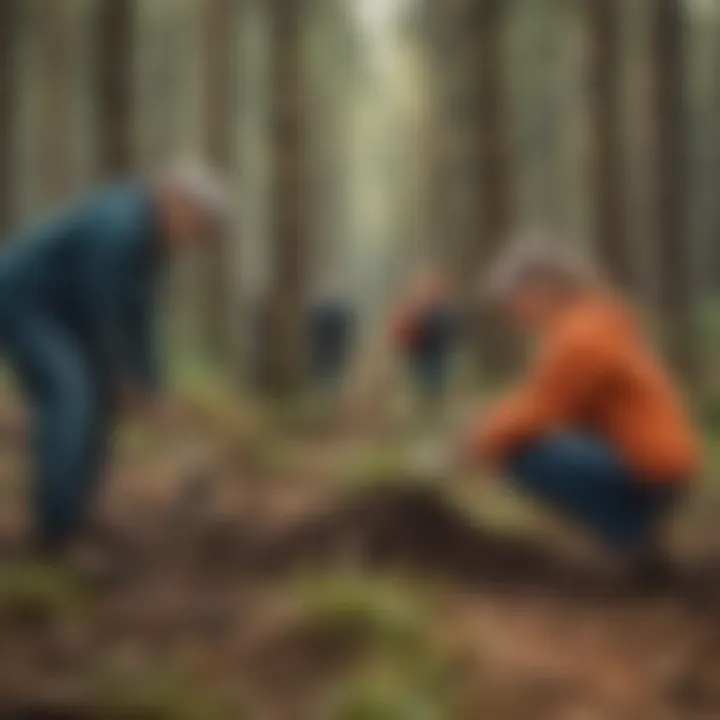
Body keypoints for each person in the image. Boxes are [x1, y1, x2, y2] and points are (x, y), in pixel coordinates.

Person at [0, 162, 229, 557]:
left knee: (96, 402)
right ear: (177, 201)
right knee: (71, 395)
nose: (195, 241)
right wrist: (119, 377)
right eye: (199, 227)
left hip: (62, 315)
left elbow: (139, 318)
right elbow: (101, 309)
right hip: (24, 304)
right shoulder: (120, 227)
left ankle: (76, 514)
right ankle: (56, 534)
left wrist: (153, 389)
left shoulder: (151, 243)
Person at [457, 240, 700, 576]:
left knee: (524, 455)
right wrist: (487, 425)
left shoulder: (581, 335)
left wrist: (476, 443)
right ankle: (632, 538)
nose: (511, 314)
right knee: (524, 442)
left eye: (513, 301)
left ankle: (629, 539)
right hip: (655, 465)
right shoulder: (589, 326)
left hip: (654, 470)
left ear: (542, 290)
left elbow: (540, 409)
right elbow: (541, 400)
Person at [391, 270, 458, 422]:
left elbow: (449, 330)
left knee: (434, 383)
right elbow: (404, 328)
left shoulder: (442, 309)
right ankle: (427, 412)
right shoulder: (417, 309)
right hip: (420, 352)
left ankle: (434, 413)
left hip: (435, 352)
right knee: (423, 383)